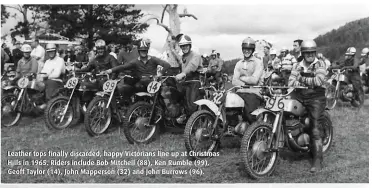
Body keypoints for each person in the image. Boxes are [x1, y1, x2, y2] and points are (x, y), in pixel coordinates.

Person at [288, 40, 328, 173]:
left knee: (315, 128)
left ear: (315, 52)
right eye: (307, 52)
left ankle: (317, 160)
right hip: (300, 95)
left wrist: (301, 79)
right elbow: (291, 81)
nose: (310, 55)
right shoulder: (297, 65)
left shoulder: (320, 63)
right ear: (303, 53)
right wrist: (302, 80)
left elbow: (318, 81)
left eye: (312, 52)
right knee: (286, 114)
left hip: (316, 97)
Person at [100, 39, 171, 94]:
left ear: (147, 51)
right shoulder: (135, 61)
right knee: (134, 87)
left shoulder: (153, 59)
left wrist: (160, 74)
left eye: (145, 50)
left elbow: (167, 65)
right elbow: (122, 67)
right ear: (139, 51)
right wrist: (109, 71)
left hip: (152, 82)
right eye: (141, 51)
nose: (143, 52)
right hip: (141, 82)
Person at [232, 37, 264, 124]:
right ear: (242, 49)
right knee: (229, 106)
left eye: (249, 49)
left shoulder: (258, 62)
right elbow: (234, 81)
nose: (247, 51)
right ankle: (231, 128)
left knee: (250, 114)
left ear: (253, 50)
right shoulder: (239, 63)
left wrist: (241, 78)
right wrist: (244, 82)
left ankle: (253, 132)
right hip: (240, 91)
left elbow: (254, 80)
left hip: (254, 92)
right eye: (245, 49)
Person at [173, 34, 204, 123]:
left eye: (186, 45)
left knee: (191, 105)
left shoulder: (196, 55)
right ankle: (182, 116)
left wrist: (183, 73)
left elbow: (192, 66)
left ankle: (193, 122)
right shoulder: (183, 57)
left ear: (190, 45)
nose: (184, 47)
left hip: (194, 82)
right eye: (182, 46)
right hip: (185, 82)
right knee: (176, 96)